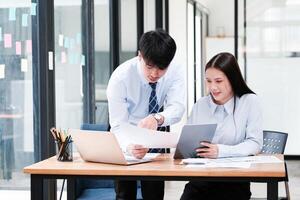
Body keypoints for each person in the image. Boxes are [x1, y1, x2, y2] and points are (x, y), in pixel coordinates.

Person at [107, 29, 185, 200]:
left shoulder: (175, 71)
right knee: (125, 194)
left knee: (154, 193)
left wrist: (158, 118)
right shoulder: (120, 78)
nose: (155, 74)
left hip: (155, 129)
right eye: (149, 66)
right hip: (124, 132)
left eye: (161, 68)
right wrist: (129, 146)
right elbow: (118, 124)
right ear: (140, 56)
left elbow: (177, 107)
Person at [180, 52, 263, 200]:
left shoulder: (249, 102)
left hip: (234, 181)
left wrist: (221, 151)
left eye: (218, 81)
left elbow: (255, 143)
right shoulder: (201, 105)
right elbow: (187, 142)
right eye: (208, 81)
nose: (213, 87)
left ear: (233, 79)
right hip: (200, 181)